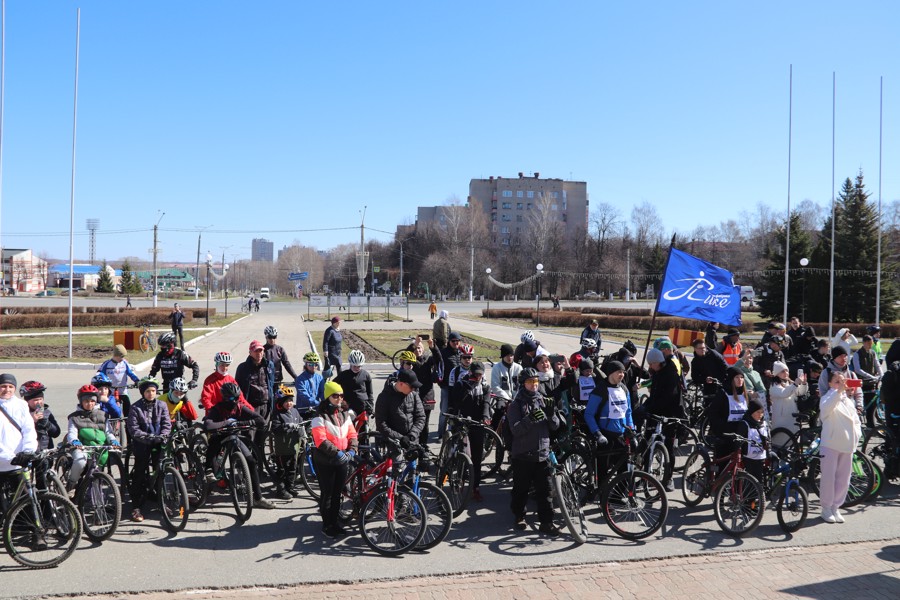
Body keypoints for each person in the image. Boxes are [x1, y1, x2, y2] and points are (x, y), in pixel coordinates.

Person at [203, 382, 274, 510]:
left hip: (234, 436)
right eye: (231, 398)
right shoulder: (217, 409)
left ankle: (258, 498)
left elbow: (260, 420)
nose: (235, 401)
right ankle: (207, 473)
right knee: (213, 454)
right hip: (219, 438)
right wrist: (226, 423)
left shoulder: (240, 407)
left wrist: (240, 423)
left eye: (237, 397)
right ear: (224, 398)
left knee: (251, 462)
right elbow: (208, 425)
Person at [507, 368, 560, 536]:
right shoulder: (516, 405)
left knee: (545, 490)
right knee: (521, 489)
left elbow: (555, 426)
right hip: (522, 455)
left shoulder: (544, 400)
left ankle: (546, 522)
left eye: (536, 381)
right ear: (523, 384)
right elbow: (515, 430)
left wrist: (551, 415)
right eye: (530, 382)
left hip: (542, 454)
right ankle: (519, 517)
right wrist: (529, 420)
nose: (534, 385)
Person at [311, 381, 358, 537]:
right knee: (328, 494)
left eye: (341, 395)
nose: (339, 398)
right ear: (328, 397)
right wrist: (337, 452)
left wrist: (352, 449)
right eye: (335, 396)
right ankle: (327, 525)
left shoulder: (345, 413)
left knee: (338, 493)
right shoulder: (319, 416)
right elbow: (320, 440)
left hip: (342, 459)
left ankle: (335, 522)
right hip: (326, 460)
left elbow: (352, 434)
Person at [818, 371, 862, 523]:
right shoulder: (827, 398)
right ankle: (826, 508)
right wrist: (838, 391)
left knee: (844, 479)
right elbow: (826, 410)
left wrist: (856, 436)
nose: (841, 384)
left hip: (847, 445)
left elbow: (856, 421)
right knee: (828, 478)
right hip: (830, 444)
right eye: (837, 381)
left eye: (842, 381)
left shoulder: (848, 400)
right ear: (830, 383)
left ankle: (836, 506)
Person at [126, 377, 171, 522]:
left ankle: (160, 500)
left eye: (153, 391)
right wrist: (148, 437)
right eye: (147, 391)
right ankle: (136, 506)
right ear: (142, 392)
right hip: (142, 442)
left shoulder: (162, 405)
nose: (151, 394)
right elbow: (134, 429)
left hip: (158, 441)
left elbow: (166, 423)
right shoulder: (135, 407)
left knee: (160, 470)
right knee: (140, 470)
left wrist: (163, 435)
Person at [65, 384, 120, 491]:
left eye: (92, 401)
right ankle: (72, 482)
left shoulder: (103, 415)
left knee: (97, 470)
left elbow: (108, 431)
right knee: (80, 462)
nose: (89, 404)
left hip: (98, 447)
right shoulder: (74, 417)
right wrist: (75, 441)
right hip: (81, 447)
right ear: (81, 401)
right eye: (86, 401)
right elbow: (72, 432)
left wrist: (113, 440)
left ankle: (96, 496)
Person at [450, 361, 491, 501]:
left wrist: (485, 416)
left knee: (477, 458)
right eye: (476, 374)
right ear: (471, 373)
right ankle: (458, 480)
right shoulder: (461, 384)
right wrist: (468, 387)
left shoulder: (485, 387)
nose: (479, 377)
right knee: (461, 453)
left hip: (477, 424)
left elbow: (486, 403)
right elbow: (455, 402)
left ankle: (475, 487)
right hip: (462, 422)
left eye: (481, 374)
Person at [585, 361, 634, 478]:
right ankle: (601, 494)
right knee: (603, 473)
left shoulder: (624, 389)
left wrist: (632, 429)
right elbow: (589, 414)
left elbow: (628, 412)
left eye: (623, 372)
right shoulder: (600, 390)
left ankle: (616, 496)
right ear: (611, 373)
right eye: (619, 372)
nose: (622, 375)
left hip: (621, 435)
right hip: (605, 435)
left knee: (623, 472)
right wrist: (597, 433)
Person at [708, 366, 750, 464]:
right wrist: (721, 429)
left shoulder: (745, 395)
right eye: (737, 377)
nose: (740, 380)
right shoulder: (723, 393)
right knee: (723, 465)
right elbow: (713, 413)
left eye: (742, 377)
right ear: (731, 379)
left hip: (740, 434)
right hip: (725, 434)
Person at [374, 369, 426, 448]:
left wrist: (411, 435)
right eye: (411, 387)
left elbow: (421, 417)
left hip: (412, 442)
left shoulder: (414, 395)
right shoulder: (384, 397)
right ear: (401, 384)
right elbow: (381, 424)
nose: (413, 389)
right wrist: (400, 438)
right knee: (397, 459)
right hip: (393, 444)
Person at [0, 373, 39, 475]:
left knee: (25, 491)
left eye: (11, 387)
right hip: (5, 461)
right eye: (3, 386)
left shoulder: (21, 405)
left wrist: (28, 451)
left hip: (19, 463)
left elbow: (29, 429)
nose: (7, 390)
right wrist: (9, 457)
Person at [270, 384, 303, 499]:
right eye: (286, 401)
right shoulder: (278, 414)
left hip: (293, 447)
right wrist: (286, 426)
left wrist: (303, 430)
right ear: (280, 402)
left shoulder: (295, 411)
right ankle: (281, 490)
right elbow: (275, 428)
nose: (289, 403)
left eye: (290, 401)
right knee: (282, 470)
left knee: (292, 468)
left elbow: (300, 422)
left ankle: (290, 487)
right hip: (282, 448)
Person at [97, 344, 140, 413]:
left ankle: (127, 422)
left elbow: (131, 373)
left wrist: (137, 380)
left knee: (128, 409)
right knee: (111, 408)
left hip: (123, 391)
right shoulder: (107, 364)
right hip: (111, 391)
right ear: (115, 355)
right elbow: (99, 375)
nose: (122, 358)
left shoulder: (125, 363)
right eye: (121, 356)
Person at [818, 346, 863, 412]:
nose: (844, 358)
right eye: (840, 356)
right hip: (833, 412)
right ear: (834, 358)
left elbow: (858, 392)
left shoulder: (851, 374)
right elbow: (823, 393)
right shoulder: (826, 373)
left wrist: (859, 406)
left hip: (850, 410)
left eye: (845, 356)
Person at [852, 334, 883, 428]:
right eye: (869, 343)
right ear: (864, 343)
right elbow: (858, 369)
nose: (870, 345)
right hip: (862, 382)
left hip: (872, 383)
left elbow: (877, 365)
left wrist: (882, 375)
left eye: (871, 343)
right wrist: (871, 376)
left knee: (872, 404)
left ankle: (870, 423)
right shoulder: (857, 354)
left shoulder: (872, 353)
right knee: (861, 402)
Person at [19, 381, 60, 451]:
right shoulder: (21, 413)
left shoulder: (47, 412)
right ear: (27, 401)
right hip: (28, 451)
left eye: (41, 399)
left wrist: (47, 424)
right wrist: (31, 421)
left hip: (46, 451)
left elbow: (56, 433)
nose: (39, 402)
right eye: (35, 400)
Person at [436, 332, 463, 438]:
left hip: (459, 387)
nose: (456, 343)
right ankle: (441, 434)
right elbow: (438, 367)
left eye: (458, 341)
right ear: (449, 342)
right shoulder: (443, 353)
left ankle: (452, 432)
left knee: (456, 410)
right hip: (446, 386)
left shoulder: (462, 353)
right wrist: (441, 382)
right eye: (453, 341)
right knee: (445, 410)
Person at [768, 361, 808, 433]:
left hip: (791, 413)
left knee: (792, 434)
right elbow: (784, 393)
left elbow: (800, 392)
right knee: (781, 436)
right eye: (782, 371)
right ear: (777, 373)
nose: (786, 373)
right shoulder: (774, 385)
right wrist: (795, 384)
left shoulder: (790, 382)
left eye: (786, 370)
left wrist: (804, 383)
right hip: (780, 415)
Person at [334, 349, 374, 419]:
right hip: (348, 406)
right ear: (350, 364)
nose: (356, 368)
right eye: (354, 366)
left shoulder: (366, 375)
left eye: (359, 366)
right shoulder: (343, 375)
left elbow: (370, 393)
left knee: (364, 426)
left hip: (363, 406)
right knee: (350, 421)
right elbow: (333, 386)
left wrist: (370, 405)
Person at [737, 399, 769, 483]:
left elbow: (768, 439)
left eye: (762, 412)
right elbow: (738, 442)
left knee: (760, 482)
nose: (760, 415)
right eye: (758, 412)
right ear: (752, 412)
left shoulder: (764, 424)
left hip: (761, 458)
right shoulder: (745, 424)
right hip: (749, 459)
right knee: (750, 483)